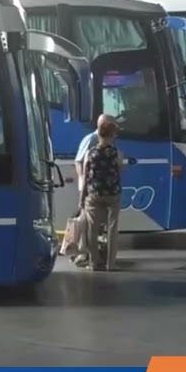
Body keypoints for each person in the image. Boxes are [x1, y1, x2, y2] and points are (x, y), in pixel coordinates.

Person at [72, 114, 114, 267]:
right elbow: (78, 161)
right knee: (87, 224)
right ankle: (84, 254)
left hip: (96, 188)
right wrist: (84, 180)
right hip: (89, 188)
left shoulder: (107, 143)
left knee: (94, 224)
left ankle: (92, 255)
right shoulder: (91, 139)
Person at [82, 119, 123, 271]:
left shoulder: (90, 153)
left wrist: (82, 199)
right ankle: (110, 264)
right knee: (112, 227)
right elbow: (120, 171)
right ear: (112, 136)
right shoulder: (117, 153)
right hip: (113, 194)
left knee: (92, 228)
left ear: (98, 134)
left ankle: (94, 262)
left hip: (94, 194)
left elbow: (86, 177)